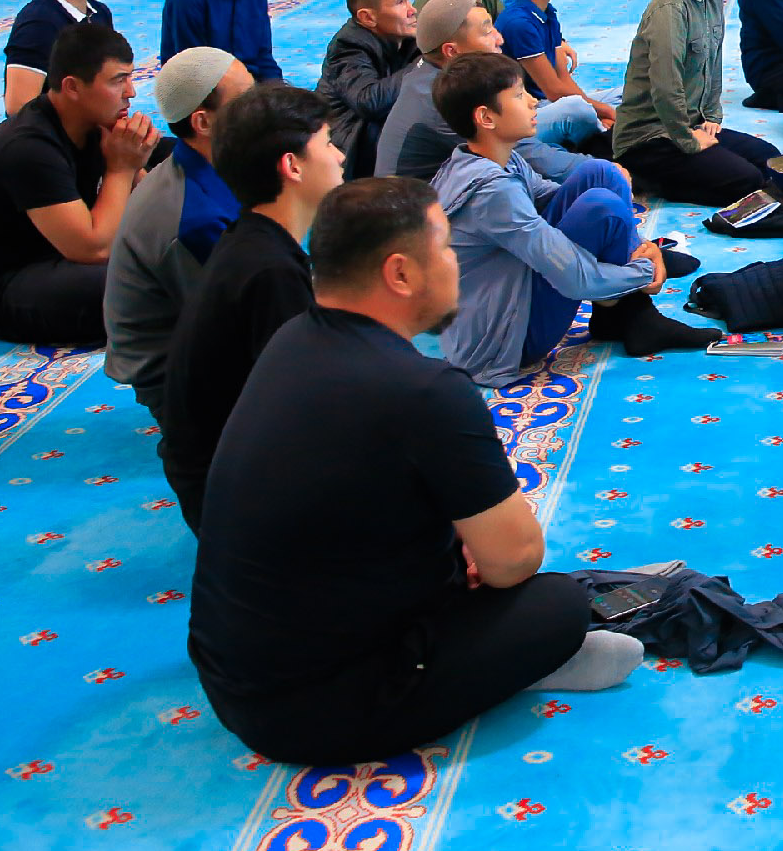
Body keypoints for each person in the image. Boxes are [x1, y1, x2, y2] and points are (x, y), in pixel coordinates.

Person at [189, 178, 645, 767]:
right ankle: (508, 669)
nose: (456, 263)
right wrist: (481, 552)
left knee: (454, 549)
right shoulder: (426, 391)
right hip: (317, 712)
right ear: (401, 273)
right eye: (448, 248)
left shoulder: (291, 340)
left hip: (232, 677)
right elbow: (516, 560)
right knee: (559, 604)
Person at [434, 53, 717, 380]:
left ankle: (619, 314)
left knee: (601, 174)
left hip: (514, 288)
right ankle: (636, 317)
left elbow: (553, 198)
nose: (533, 102)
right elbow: (575, 278)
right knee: (601, 204)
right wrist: (644, 271)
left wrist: (642, 245)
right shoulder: (493, 193)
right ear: (486, 117)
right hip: (504, 337)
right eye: (519, 95)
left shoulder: (490, 158)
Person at [161, 84, 345, 529]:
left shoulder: (252, 239)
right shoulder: (269, 272)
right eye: (327, 143)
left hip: (220, 473)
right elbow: (303, 415)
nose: (340, 156)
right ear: (292, 165)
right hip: (235, 501)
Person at [0, 23, 160, 345]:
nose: (131, 92)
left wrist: (136, 167)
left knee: (170, 253)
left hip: (56, 257)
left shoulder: (92, 125)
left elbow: (153, 213)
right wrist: (122, 168)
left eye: (130, 78)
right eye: (118, 81)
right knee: (139, 284)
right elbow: (93, 249)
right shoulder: (29, 148)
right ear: (72, 87)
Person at [101, 47, 251, 424]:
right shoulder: (195, 219)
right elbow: (240, 325)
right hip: (186, 388)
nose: (263, 106)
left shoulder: (205, 169)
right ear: (203, 122)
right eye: (247, 99)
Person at [612, 0, 782, 207]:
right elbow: (666, 89)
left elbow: (713, 62)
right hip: (649, 140)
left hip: (688, 124)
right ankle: (648, 179)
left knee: (770, 160)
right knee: (748, 181)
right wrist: (689, 141)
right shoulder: (670, 11)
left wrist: (711, 118)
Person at [378, 0, 596, 184]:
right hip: (425, 211)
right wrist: (599, 168)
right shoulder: (447, 97)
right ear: (452, 51)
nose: (500, 39)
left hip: (444, 187)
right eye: (486, 32)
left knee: (574, 109)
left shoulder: (434, 73)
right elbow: (525, 154)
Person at [496, 0, 618, 153]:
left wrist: (599, 111)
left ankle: (601, 130)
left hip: (552, 102)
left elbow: (563, 78)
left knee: (625, 94)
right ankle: (605, 140)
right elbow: (553, 90)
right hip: (528, 110)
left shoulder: (547, 13)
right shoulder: (518, 23)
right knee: (578, 109)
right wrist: (605, 112)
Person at [317, 0, 421, 180]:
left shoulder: (405, 37)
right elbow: (369, 101)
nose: (412, 10)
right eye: (400, 2)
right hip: (348, 152)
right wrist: (426, 62)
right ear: (367, 18)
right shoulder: (348, 46)